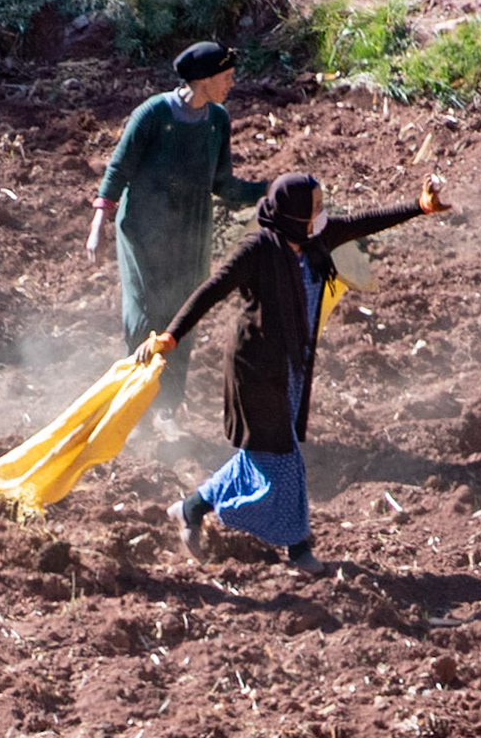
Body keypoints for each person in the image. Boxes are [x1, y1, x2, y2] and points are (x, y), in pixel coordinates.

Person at [145, 172, 452, 575]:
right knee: (285, 460)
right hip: (254, 370)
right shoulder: (257, 249)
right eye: (315, 209)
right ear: (291, 214)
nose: (322, 215)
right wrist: (172, 335)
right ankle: (298, 546)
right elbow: (213, 289)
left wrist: (419, 206)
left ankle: (190, 509)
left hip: (291, 368)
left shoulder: (314, 241)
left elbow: (364, 222)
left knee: (262, 452)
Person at [87, 41, 268, 435]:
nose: (231, 84)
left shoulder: (217, 120)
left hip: (190, 231)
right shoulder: (153, 114)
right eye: (226, 77)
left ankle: (167, 409)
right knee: (143, 316)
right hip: (142, 231)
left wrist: (270, 190)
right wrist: (98, 223)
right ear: (202, 79)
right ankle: (134, 406)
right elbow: (118, 170)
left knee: (182, 317)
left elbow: (222, 184)